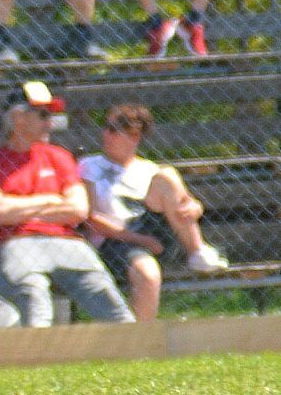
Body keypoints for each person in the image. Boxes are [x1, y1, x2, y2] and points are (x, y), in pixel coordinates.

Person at [0, 82, 134, 327]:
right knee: (34, 301)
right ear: (18, 118)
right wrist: (49, 201)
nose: (50, 122)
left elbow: (78, 209)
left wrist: (17, 208)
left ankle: (136, 355)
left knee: (109, 300)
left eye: (51, 115)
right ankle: (37, 363)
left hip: (67, 244)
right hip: (17, 244)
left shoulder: (58, 156)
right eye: (43, 115)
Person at [79, 102, 228, 321]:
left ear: (135, 137)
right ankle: (141, 342)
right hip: (117, 239)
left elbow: (187, 203)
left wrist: (195, 206)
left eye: (114, 130)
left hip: (156, 230)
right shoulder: (89, 165)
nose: (107, 134)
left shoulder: (148, 168)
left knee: (167, 174)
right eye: (106, 127)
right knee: (148, 275)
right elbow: (90, 218)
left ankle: (197, 251)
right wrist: (140, 239)